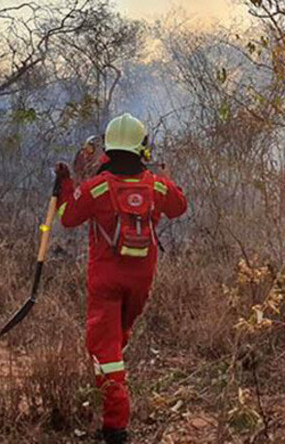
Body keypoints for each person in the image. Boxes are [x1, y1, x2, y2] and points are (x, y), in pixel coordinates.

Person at [54, 113, 187, 444]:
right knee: (115, 342)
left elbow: (67, 217)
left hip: (105, 282)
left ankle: (115, 425)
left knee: (105, 349)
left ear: (109, 148)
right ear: (143, 148)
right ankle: (108, 386)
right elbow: (179, 206)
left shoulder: (97, 187)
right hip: (141, 283)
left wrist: (65, 186)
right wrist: (167, 179)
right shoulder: (156, 185)